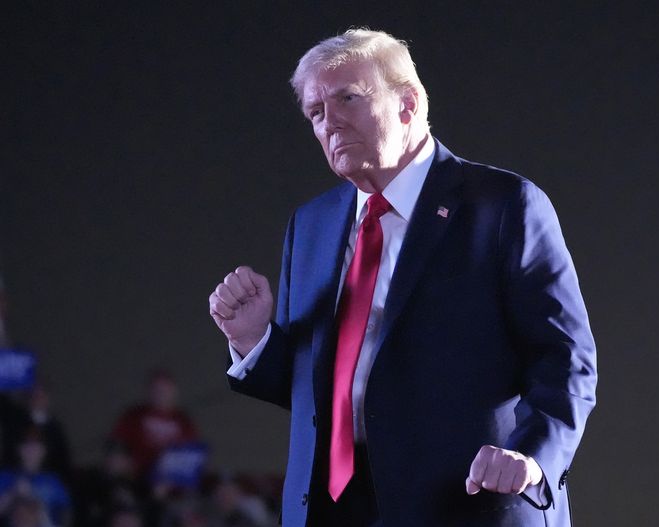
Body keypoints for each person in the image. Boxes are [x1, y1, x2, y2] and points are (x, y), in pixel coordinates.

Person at [209, 29, 597, 527]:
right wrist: (254, 342)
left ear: (408, 104)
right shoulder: (311, 225)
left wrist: (532, 455)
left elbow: (566, 359)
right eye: (315, 112)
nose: (329, 122)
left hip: (465, 503)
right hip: (332, 510)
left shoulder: (502, 207)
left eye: (347, 98)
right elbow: (322, 390)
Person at [111, 371, 198, 480]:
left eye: (165, 391)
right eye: (157, 390)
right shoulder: (134, 416)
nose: (161, 395)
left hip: (170, 480)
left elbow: (192, 454)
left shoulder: (183, 421)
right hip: (136, 476)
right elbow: (116, 444)